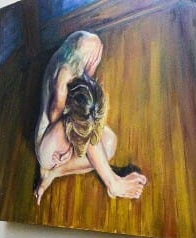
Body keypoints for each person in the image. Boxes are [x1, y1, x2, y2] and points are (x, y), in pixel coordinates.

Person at [33, 30, 147, 205]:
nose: (97, 57)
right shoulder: (64, 77)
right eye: (94, 56)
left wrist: (89, 71)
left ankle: (55, 173)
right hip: (49, 147)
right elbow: (55, 115)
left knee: (109, 144)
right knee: (87, 122)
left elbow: (80, 101)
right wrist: (71, 145)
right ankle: (113, 183)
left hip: (66, 132)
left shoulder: (75, 63)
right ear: (78, 54)